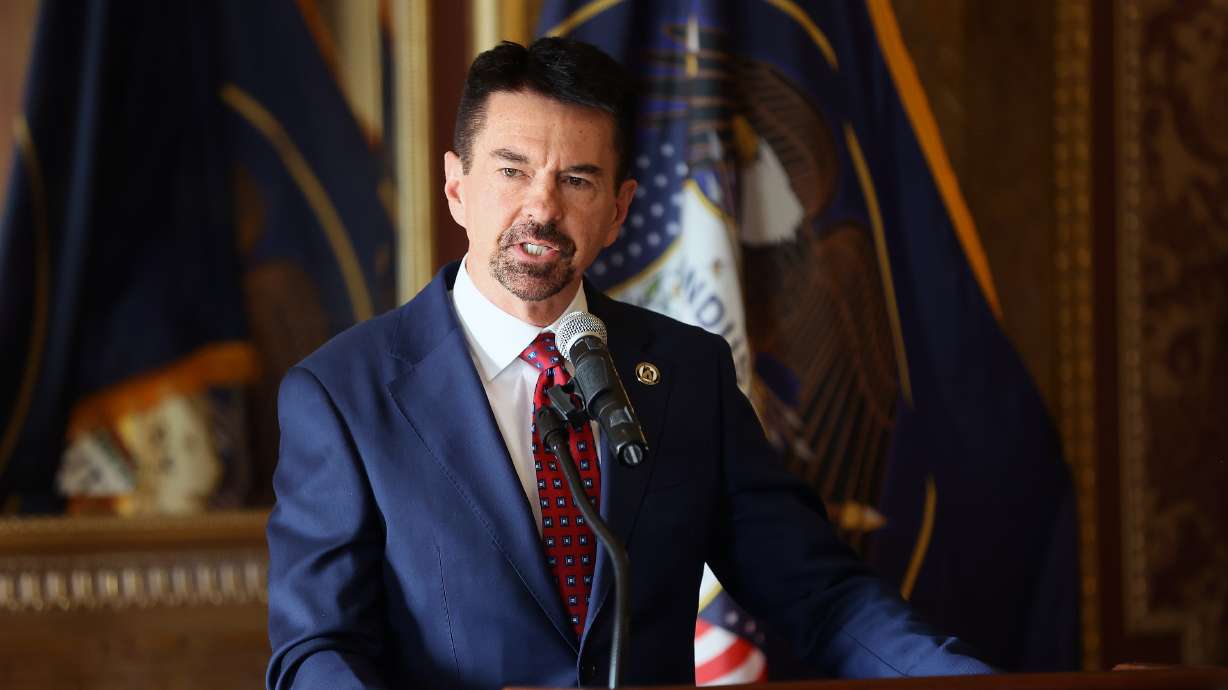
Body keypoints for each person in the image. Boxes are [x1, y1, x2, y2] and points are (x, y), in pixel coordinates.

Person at [265, 37, 994, 690]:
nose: (541, 210)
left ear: (618, 210)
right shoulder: (344, 395)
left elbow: (819, 596)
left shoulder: (687, 374)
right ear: (457, 187)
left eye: (577, 180)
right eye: (513, 172)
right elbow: (315, 651)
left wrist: (969, 685)